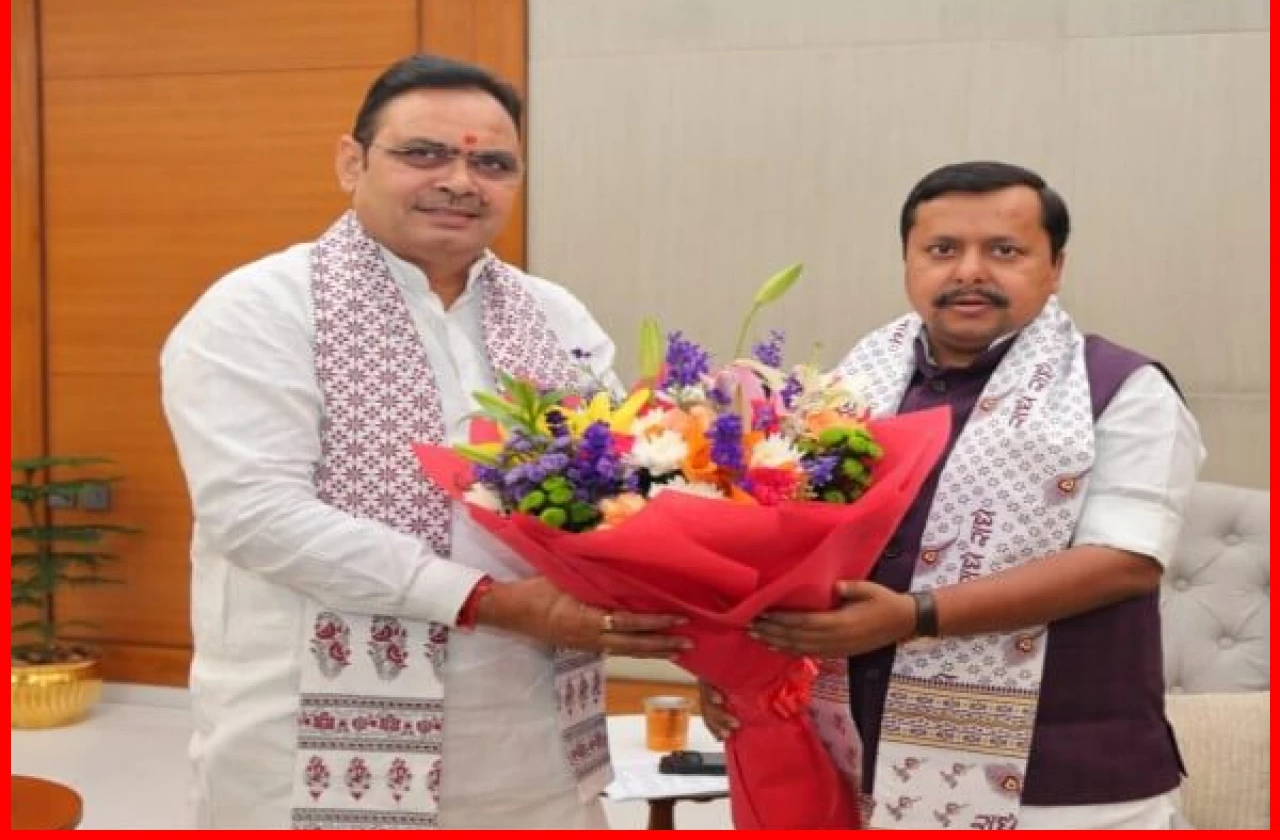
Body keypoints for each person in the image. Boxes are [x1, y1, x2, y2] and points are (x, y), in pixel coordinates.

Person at [160, 54, 689, 830]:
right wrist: (491, 602)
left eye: (491, 162)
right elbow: (255, 512)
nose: (460, 180)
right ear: (352, 161)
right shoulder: (260, 308)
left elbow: (624, 484)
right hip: (308, 746)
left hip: (528, 744)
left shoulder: (554, 315)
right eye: (424, 153)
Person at [703, 161, 1203, 830]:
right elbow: (783, 546)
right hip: (857, 763)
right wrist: (740, 664)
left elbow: (1125, 558)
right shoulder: (847, 391)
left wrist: (914, 615)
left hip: (1065, 784)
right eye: (942, 250)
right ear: (908, 263)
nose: (970, 271)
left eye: (1004, 250)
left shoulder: (1121, 387)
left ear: (1054, 266)